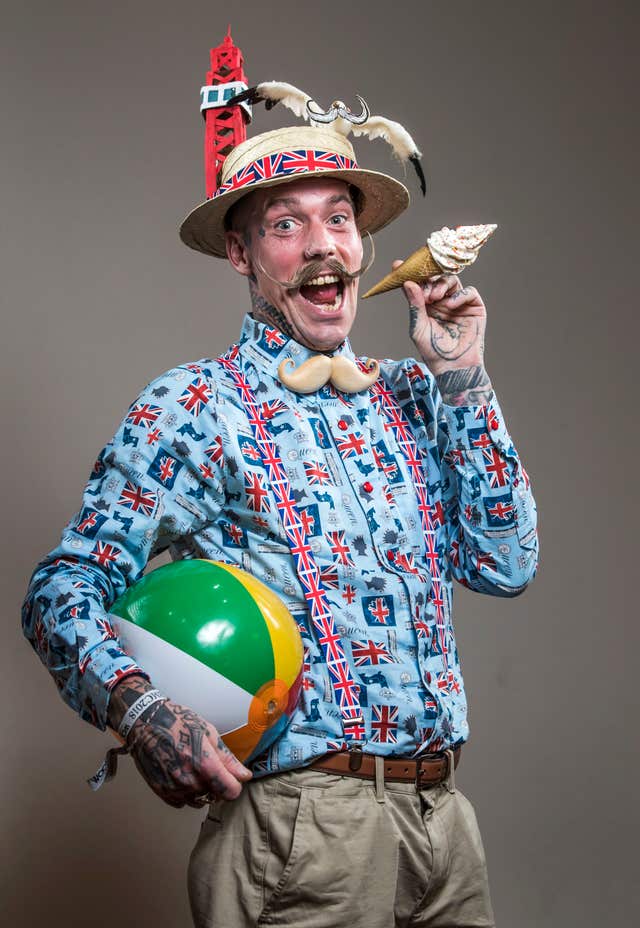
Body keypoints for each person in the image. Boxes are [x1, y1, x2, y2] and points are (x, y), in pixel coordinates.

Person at [23, 116, 538, 927]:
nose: (322, 245)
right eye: (286, 225)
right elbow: (62, 588)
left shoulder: (411, 390)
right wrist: (141, 708)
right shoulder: (197, 406)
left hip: (446, 826)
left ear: (363, 244)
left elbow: (506, 563)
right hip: (303, 831)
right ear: (242, 255)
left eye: (339, 218)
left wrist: (465, 379)